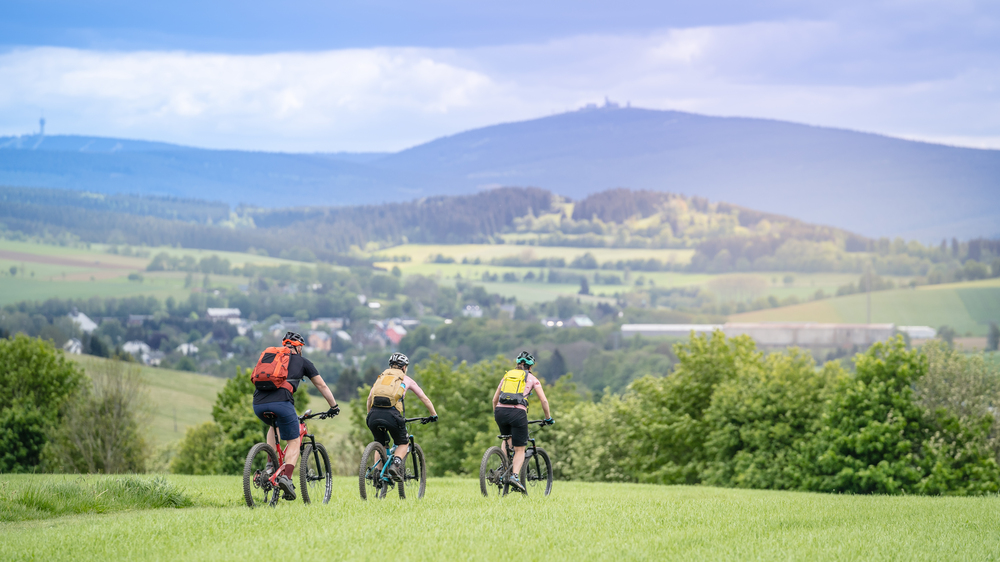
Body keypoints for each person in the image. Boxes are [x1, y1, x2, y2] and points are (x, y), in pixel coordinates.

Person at [253, 332, 340, 501]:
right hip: (282, 404)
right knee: (294, 440)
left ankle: (270, 466)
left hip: (258, 403)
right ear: (298, 347)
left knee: (274, 426)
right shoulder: (303, 362)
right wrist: (333, 406)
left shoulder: (271, 357)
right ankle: (287, 478)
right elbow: (321, 385)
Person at [366, 352, 438, 481]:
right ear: (404, 367)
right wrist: (433, 414)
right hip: (392, 415)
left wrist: (370, 415)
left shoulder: (381, 378)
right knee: (403, 442)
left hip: (373, 415)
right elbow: (424, 398)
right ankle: (395, 465)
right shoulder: (406, 379)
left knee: (380, 443)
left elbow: (369, 399)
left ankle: (377, 472)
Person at [492, 351, 553, 493]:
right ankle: (514, 476)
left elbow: (495, 399)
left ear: (517, 364)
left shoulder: (506, 376)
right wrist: (548, 417)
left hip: (500, 411)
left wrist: (497, 414)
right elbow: (543, 400)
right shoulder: (532, 379)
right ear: (530, 367)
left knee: (507, 438)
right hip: (518, 413)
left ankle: (503, 467)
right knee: (520, 448)